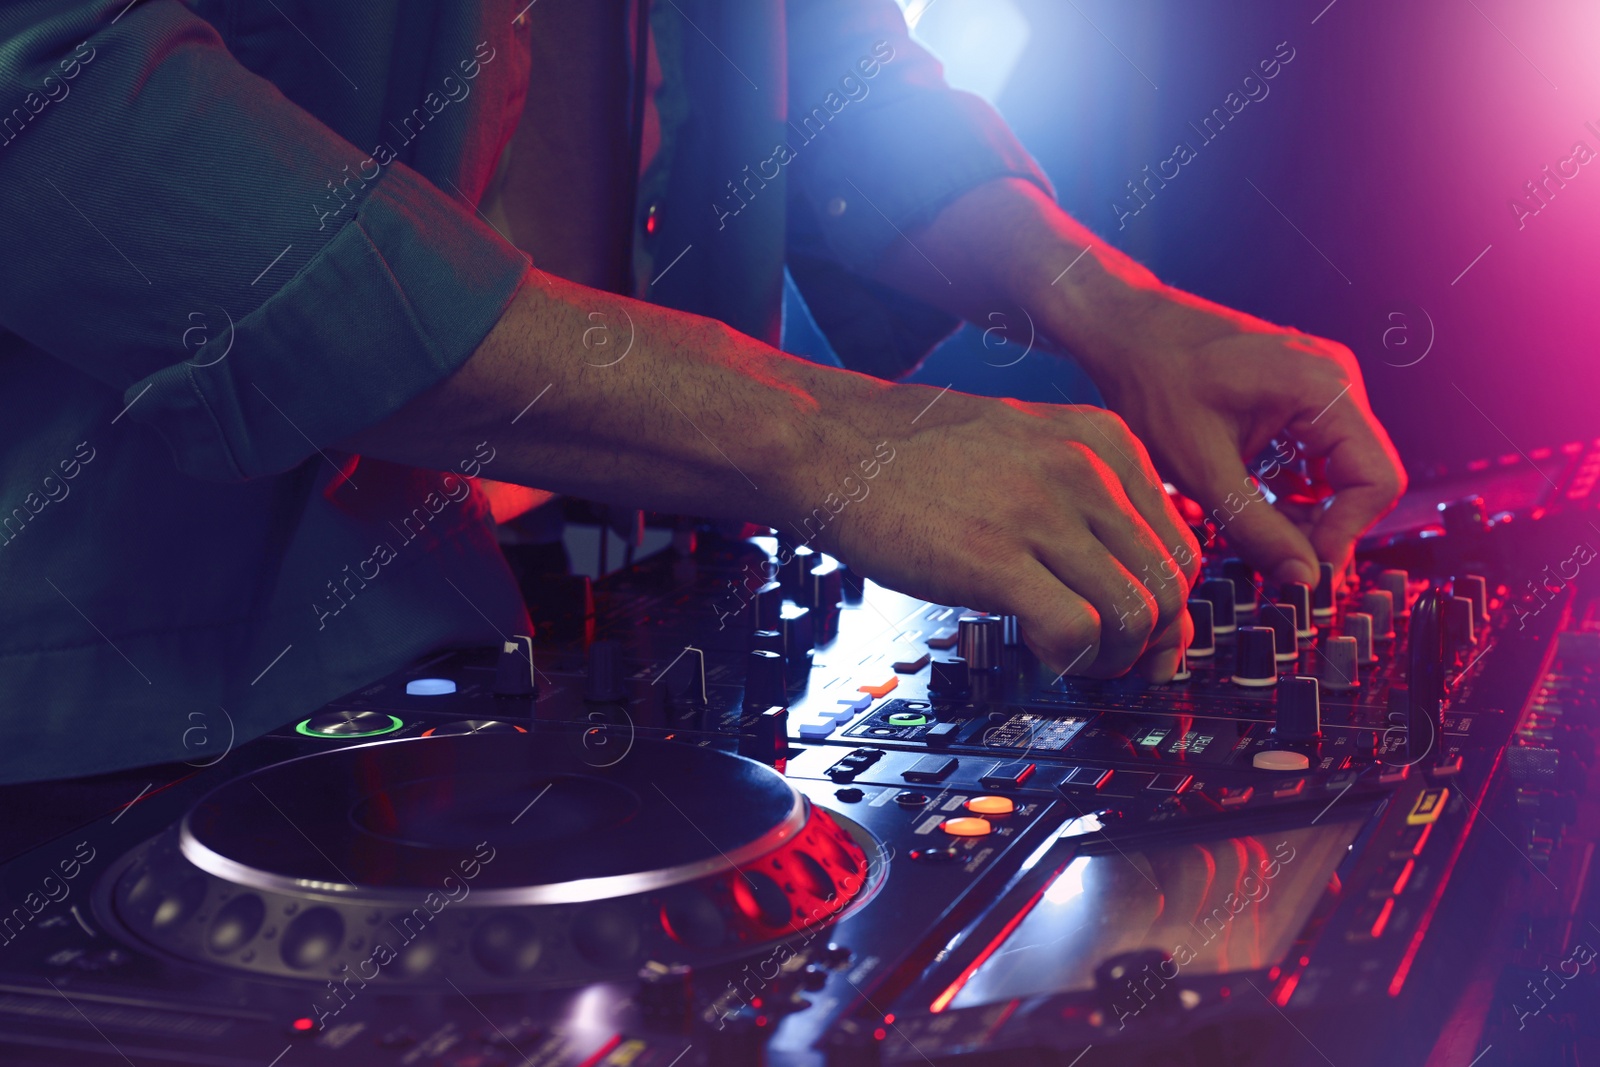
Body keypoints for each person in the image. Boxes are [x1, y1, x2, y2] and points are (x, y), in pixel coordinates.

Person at [0, 0, 1403, 784]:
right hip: (116, 708)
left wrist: (1111, 307)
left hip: (612, 611)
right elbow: (64, 97)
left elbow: (810, 56)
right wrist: (810, 434)